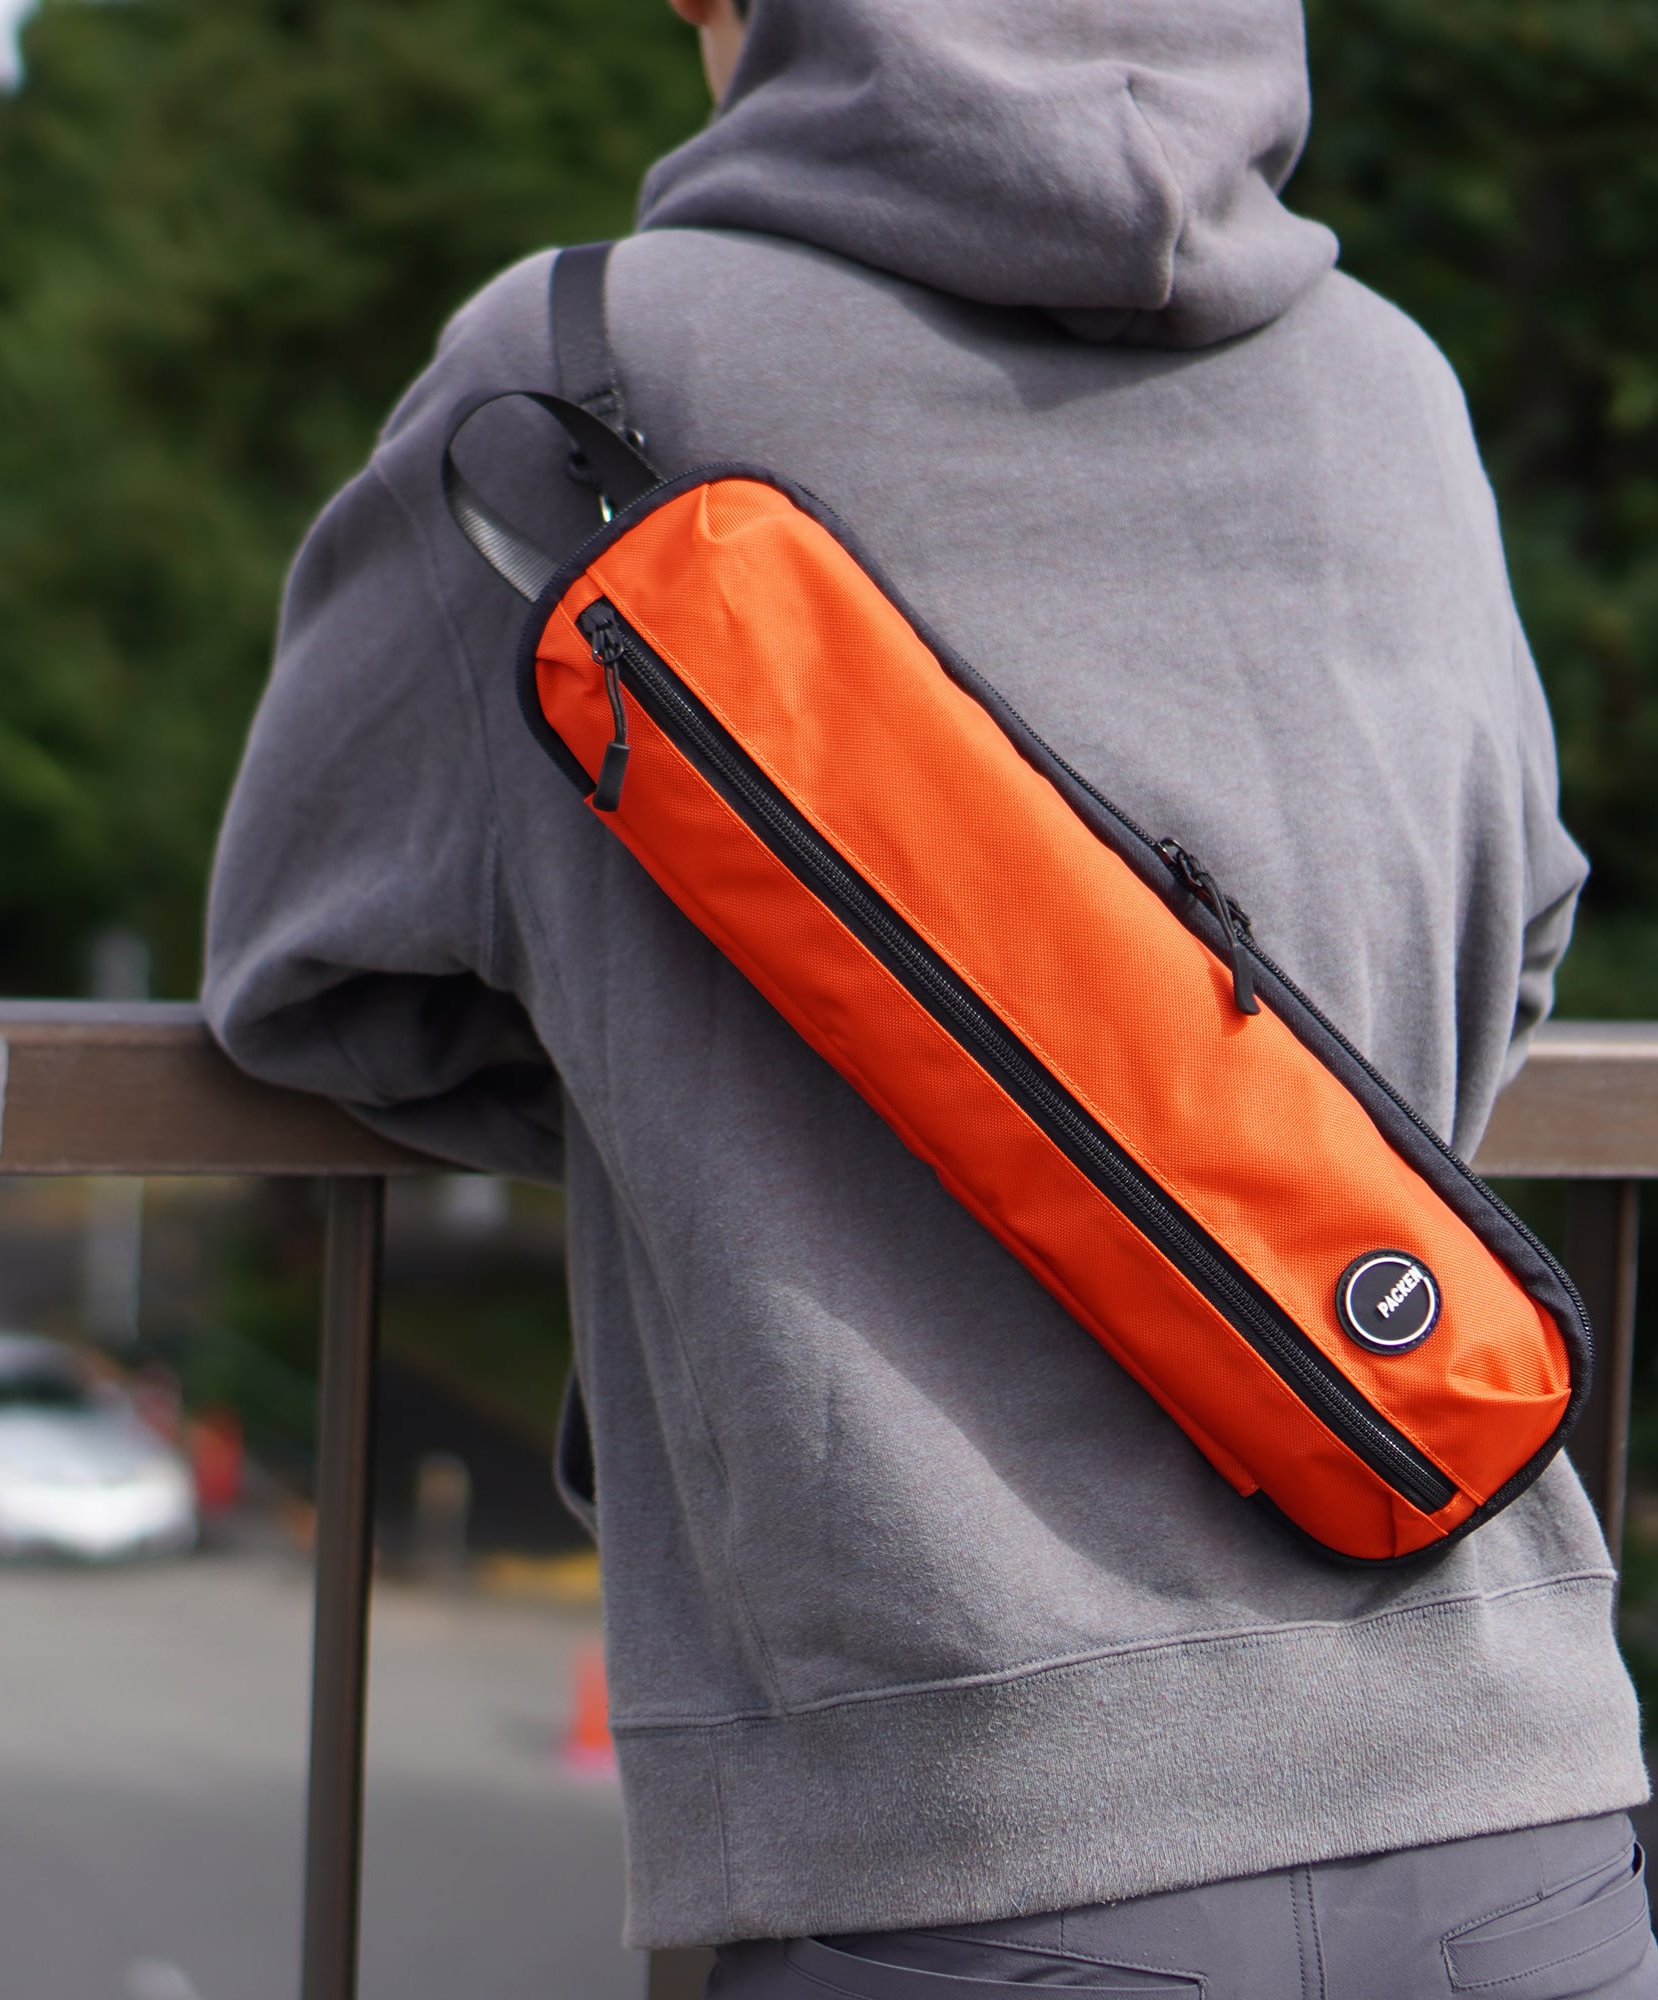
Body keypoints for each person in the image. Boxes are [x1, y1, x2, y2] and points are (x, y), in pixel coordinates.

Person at [203, 1, 1653, 1991]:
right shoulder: (1394, 384)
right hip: (1523, 1828)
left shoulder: (573, 379)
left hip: (966, 1856)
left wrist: (735, 1088)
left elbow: (304, 968)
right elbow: (1520, 939)